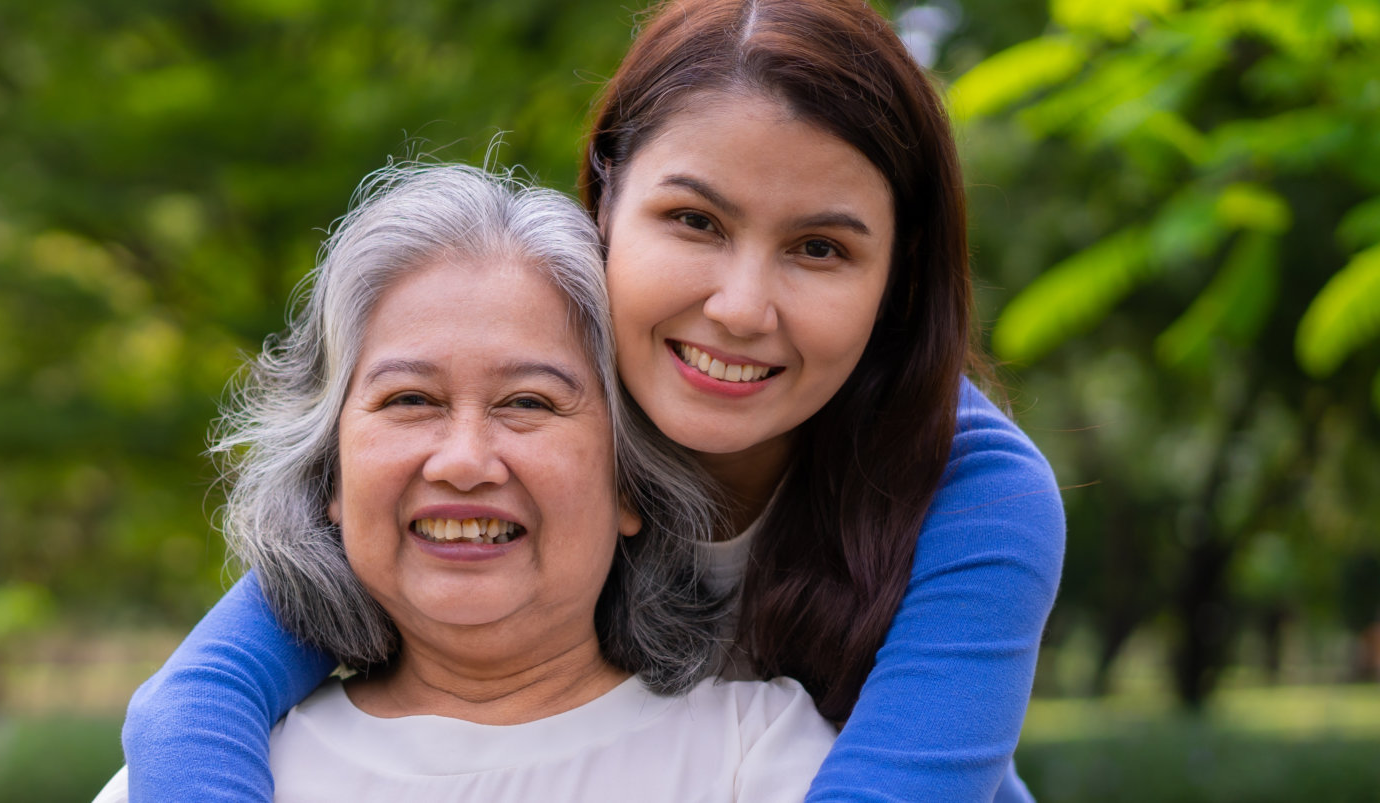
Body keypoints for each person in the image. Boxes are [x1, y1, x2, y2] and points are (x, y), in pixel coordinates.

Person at [121, 0, 1066, 800]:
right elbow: (194, 702)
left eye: (821, 248)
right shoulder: (508, 420)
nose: (740, 308)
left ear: (897, 280)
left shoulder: (976, 487)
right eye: (694, 220)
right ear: (604, 205)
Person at [96, 163, 839, 803]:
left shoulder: (763, 752)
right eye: (410, 400)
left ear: (630, 485)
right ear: (331, 474)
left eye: (528, 403)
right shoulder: (195, 775)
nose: (462, 461)